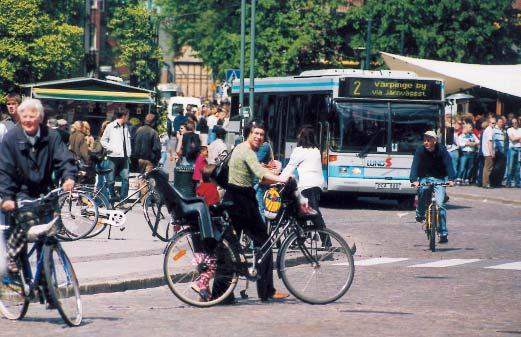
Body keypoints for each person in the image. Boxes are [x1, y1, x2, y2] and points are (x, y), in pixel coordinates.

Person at [0, 98, 77, 273]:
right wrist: (7, 197)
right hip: (21, 193)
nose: (28, 119)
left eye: (32, 115)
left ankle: (47, 289)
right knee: (26, 222)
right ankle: (12, 257)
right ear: (19, 117)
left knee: (48, 237)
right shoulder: (11, 139)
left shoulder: (51, 136)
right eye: (24, 116)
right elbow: (4, 170)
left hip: (46, 193)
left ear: (40, 118)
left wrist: (69, 177)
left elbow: (64, 159)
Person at [217, 120, 289, 303]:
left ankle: (221, 294)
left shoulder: (240, 148)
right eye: (255, 133)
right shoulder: (247, 151)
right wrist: (281, 179)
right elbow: (261, 174)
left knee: (229, 247)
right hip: (243, 202)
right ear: (248, 133)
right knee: (264, 243)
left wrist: (272, 178)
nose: (259, 137)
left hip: (233, 200)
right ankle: (267, 291)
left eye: (261, 134)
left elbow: (260, 176)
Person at [410, 131, 456, 244]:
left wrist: (451, 179)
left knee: (440, 206)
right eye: (424, 140)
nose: (426, 142)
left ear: (434, 141)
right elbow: (415, 165)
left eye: (428, 140)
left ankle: (443, 233)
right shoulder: (420, 150)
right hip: (424, 177)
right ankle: (420, 213)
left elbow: (449, 164)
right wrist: (414, 180)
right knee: (423, 189)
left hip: (439, 178)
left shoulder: (442, 150)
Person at [280, 126, 326, 231]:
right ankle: (299, 234)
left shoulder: (299, 151)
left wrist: (278, 179)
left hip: (306, 186)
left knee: (313, 212)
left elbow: (290, 167)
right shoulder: (316, 150)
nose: (297, 136)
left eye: (299, 134)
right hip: (318, 185)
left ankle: (326, 241)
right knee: (305, 211)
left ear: (302, 137)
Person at [101, 110, 132, 203]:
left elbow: (127, 142)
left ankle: (123, 200)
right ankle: (112, 198)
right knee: (111, 179)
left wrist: (129, 155)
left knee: (125, 178)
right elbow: (103, 141)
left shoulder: (126, 127)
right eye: (127, 116)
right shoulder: (110, 126)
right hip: (113, 156)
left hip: (125, 157)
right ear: (123, 116)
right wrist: (112, 148)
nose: (128, 118)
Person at [134, 113, 161, 201]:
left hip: (139, 159)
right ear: (153, 122)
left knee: (142, 178)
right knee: (148, 180)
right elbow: (157, 148)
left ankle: (143, 199)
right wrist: (156, 159)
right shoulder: (154, 133)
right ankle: (145, 201)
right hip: (149, 160)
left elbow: (133, 143)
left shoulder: (138, 130)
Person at [481, 117, 496, 188]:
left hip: (486, 151)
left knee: (486, 167)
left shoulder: (488, 130)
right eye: (493, 123)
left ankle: (485, 183)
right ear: (489, 123)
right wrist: (491, 152)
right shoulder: (489, 130)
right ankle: (486, 183)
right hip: (488, 151)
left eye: (495, 123)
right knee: (488, 168)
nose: (494, 124)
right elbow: (489, 142)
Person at [506, 118, 521, 187]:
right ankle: (508, 182)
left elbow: (515, 139)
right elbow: (512, 139)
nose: (514, 124)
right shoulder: (509, 130)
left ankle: (517, 183)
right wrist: (518, 138)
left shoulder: (520, 129)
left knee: (518, 167)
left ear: (518, 123)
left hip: (519, 149)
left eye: (515, 122)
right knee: (510, 166)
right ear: (511, 124)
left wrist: (516, 138)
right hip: (512, 149)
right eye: (513, 123)